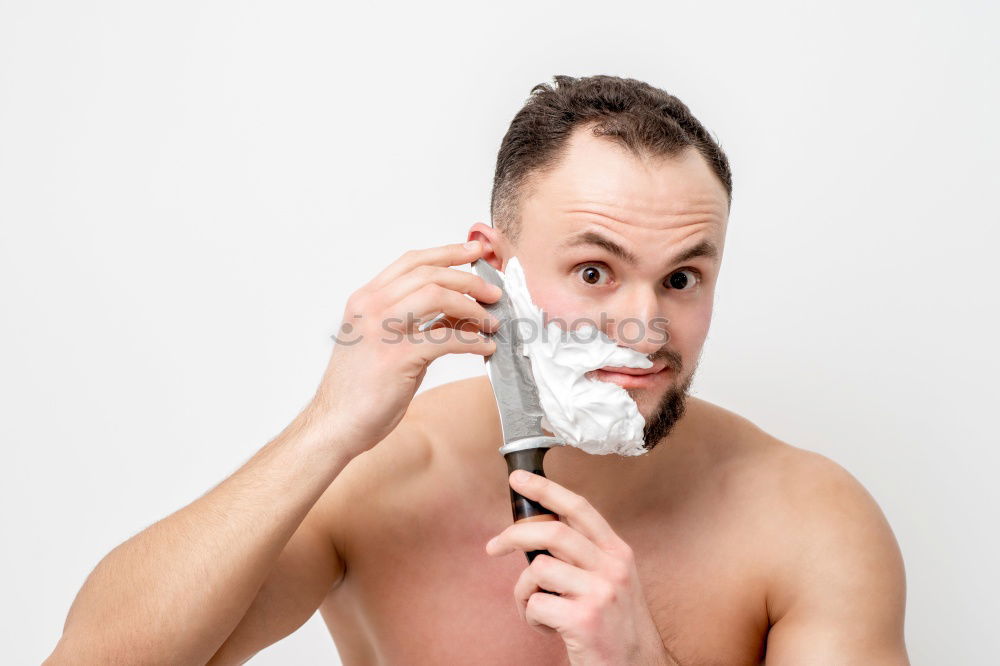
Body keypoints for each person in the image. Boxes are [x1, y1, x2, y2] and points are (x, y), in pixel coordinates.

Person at [45, 75, 909, 665]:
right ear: (494, 268)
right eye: (595, 272)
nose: (645, 326)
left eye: (682, 277)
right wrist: (327, 427)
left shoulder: (810, 518)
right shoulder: (381, 477)